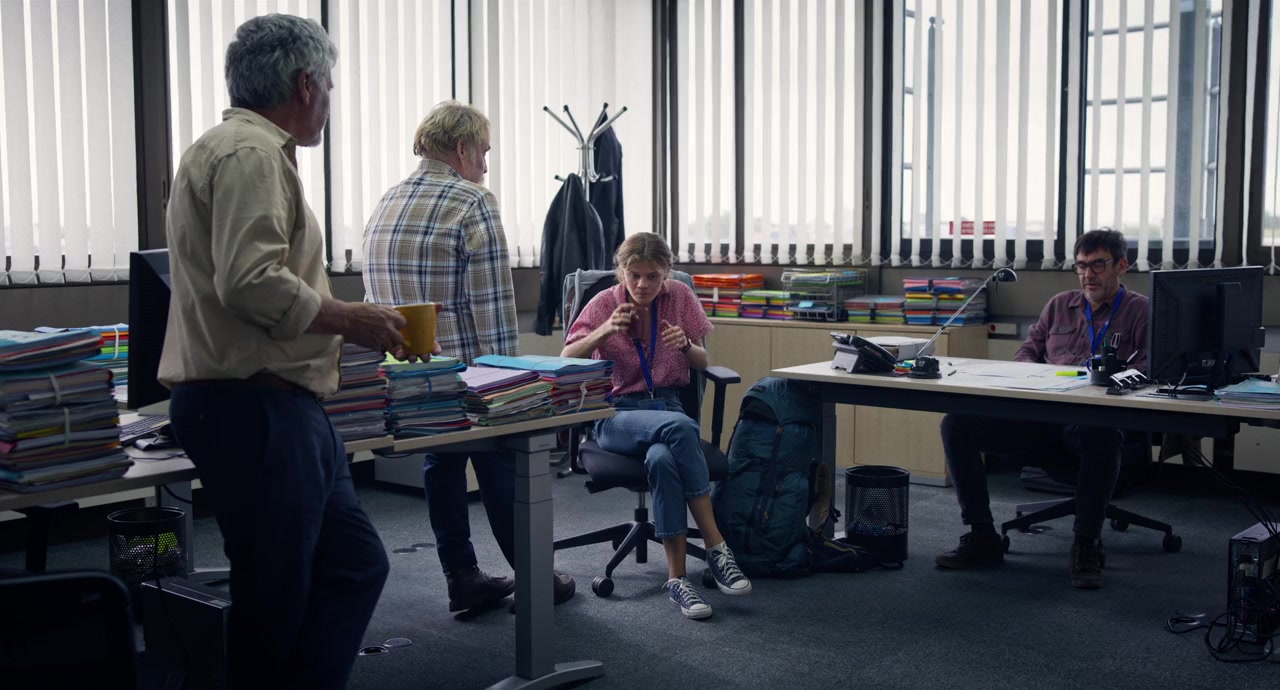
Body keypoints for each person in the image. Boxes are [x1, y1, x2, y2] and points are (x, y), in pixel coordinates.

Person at [159, 15, 405, 689]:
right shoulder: (250, 153)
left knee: (354, 564)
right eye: (329, 83)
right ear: (305, 84)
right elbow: (250, 283)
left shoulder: (237, 149)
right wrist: (349, 318)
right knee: (274, 601)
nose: (330, 97)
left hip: (282, 405)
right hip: (254, 406)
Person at [362, 100, 575, 613]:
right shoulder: (472, 201)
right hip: (466, 380)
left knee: (442, 463)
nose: (485, 165)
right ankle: (535, 579)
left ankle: (461, 575)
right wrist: (514, 392)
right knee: (503, 462)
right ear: (461, 148)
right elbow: (493, 307)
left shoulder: (387, 200)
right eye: (484, 152)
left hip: (408, 380)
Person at [934, 228, 1149, 590]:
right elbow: (1027, 352)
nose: (1088, 275)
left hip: (1091, 419)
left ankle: (1086, 543)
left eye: (1098, 265)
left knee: (1103, 433)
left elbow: (1148, 368)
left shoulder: (1140, 311)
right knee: (957, 423)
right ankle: (982, 535)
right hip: (1041, 415)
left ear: (1122, 265)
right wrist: (1031, 376)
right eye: (1081, 266)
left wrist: (1106, 381)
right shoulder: (1059, 304)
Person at [562, 232, 752, 619]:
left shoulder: (679, 296)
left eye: (652, 276)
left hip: (666, 405)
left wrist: (685, 345)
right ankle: (717, 546)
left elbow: (702, 362)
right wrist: (604, 331)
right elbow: (567, 356)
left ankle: (677, 581)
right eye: (634, 275)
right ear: (621, 271)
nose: (642, 284)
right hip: (616, 413)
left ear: (667, 272)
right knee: (681, 429)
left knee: (664, 459)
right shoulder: (604, 302)